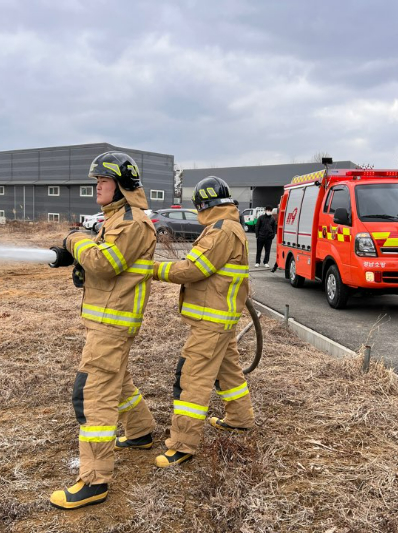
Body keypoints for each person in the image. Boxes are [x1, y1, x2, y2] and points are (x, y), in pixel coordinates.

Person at [49, 151, 156, 510]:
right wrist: (78, 258)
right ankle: (140, 433)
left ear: (122, 186)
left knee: (93, 393)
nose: (97, 187)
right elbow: (101, 261)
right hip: (111, 319)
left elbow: (105, 263)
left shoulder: (131, 222)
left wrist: (73, 242)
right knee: (118, 381)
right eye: (96, 181)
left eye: (103, 181)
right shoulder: (117, 219)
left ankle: (94, 481)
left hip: (113, 323)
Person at [152, 176, 254, 468]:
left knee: (193, 377)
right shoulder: (228, 227)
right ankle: (239, 418)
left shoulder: (221, 231)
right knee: (229, 371)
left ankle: (182, 445)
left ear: (203, 205)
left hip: (212, 320)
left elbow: (192, 269)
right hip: (221, 318)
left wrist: (154, 270)